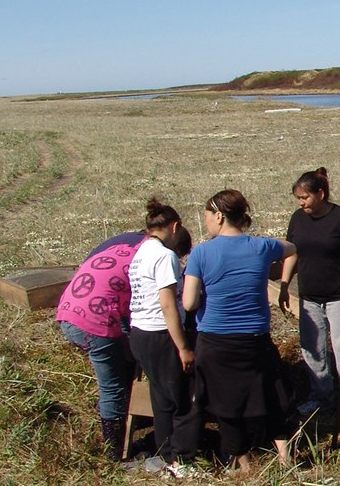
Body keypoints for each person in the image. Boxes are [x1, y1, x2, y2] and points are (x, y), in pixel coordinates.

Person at [56, 206, 189, 460]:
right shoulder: (153, 255)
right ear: (174, 230)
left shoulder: (125, 243)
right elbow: (154, 302)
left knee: (123, 361)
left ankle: (127, 420)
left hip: (69, 309)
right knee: (113, 386)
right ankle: (114, 453)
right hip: (95, 318)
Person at [182, 189, 297, 472]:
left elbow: (188, 302)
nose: (206, 221)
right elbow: (292, 248)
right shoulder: (261, 247)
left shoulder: (202, 252)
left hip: (216, 342)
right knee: (271, 395)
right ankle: (285, 458)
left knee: (226, 405)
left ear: (219, 216)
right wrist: (282, 284)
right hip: (255, 339)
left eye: (207, 216)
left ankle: (245, 465)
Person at [279, 168, 340, 419]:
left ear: (320, 193)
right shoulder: (297, 219)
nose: (301, 203)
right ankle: (322, 396)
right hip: (309, 297)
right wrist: (285, 284)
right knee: (312, 349)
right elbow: (292, 253)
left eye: (305, 197)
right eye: (298, 198)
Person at [126, 198, 200, 476]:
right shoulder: (165, 256)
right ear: (175, 226)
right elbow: (168, 303)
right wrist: (183, 346)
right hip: (161, 333)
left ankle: (163, 453)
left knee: (161, 397)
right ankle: (180, 459)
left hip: (140, 332)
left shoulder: (142, 251)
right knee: (181, 399)